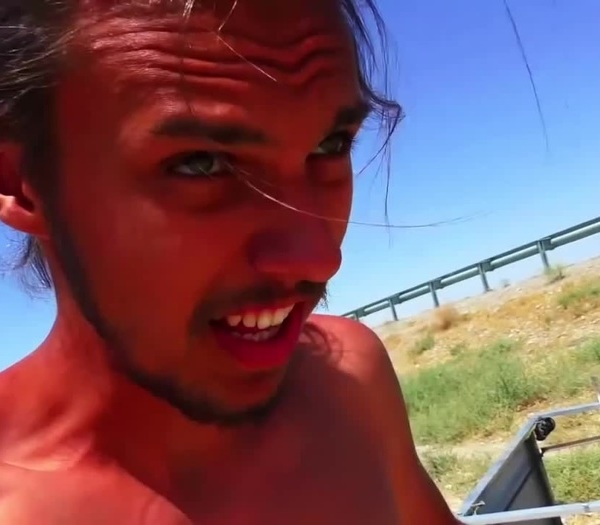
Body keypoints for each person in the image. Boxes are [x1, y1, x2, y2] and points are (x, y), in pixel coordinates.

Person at [0, 0, 460, 523]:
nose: (319, 259)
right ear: (21, 184)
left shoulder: (351, 379)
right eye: (202, 164)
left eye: (330, 146)